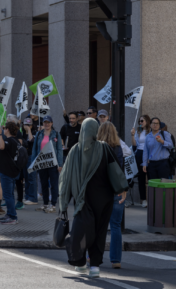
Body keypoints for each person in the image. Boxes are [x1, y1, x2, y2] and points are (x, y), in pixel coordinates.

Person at [59, 118, 125, 278]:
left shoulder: (75, 150)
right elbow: (115, 172)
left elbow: (65, 178)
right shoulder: (104, 148)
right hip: (104, 200)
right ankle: (95, 266)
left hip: (83, 200)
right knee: (100, 232)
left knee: (81, 231)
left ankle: (80, 263)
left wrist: (63, 202)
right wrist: (123, 189)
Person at [97, 122, 127, 269]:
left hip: (100, 191)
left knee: (97, 225)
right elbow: (121, 170)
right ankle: (116, 260)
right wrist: (124, 189)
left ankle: (93, 256)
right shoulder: (118, 148)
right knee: (115, 226)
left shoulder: (97, 148)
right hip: (115, 190)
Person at [31, 115, 63, 213]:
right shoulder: (39, 134)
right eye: (45, 122)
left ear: (52, 123)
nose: (46, 124)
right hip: (42, 163)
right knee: (44, 184)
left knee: (53, 184)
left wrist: (60, 164)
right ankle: (45, 204)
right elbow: (35, 149)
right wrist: (34, 162)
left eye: (48, 122)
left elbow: (59, 150)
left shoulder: (56, 134)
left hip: (53, 163)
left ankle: (53, 204)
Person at [0, 122, 22, 224]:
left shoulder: (9, 141)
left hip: (7, 172)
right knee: (10, 194)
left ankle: (12, 216)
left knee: (8, 195)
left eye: (4, 128)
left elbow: (1, 146)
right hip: (13, 171)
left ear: (8, 130)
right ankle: (9, 214)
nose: (3, 129)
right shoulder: (16, 141)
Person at [131, 115, 150, 207]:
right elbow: (134, 145)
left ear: (147, 121)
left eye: (142, 121)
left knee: (150, 177)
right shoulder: (139, 132)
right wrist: (132, 135)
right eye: (139, 121)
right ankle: (144, 200)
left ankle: (152, 199)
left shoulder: (150, 132)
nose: (140, 123)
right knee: (141, 178)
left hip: (149, 155)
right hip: (139, 154)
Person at [21, 118, 38, 205]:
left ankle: (33, 198)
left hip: (32, 156)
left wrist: (29, 131)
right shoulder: (22, 134)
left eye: (29, 125)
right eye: (25, 125)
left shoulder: (35, 133)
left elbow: (32, 140)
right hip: (24, 157)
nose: (27, 127)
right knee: (26, 178)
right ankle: (27, 196)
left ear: (32, 125)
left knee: (32, 177)